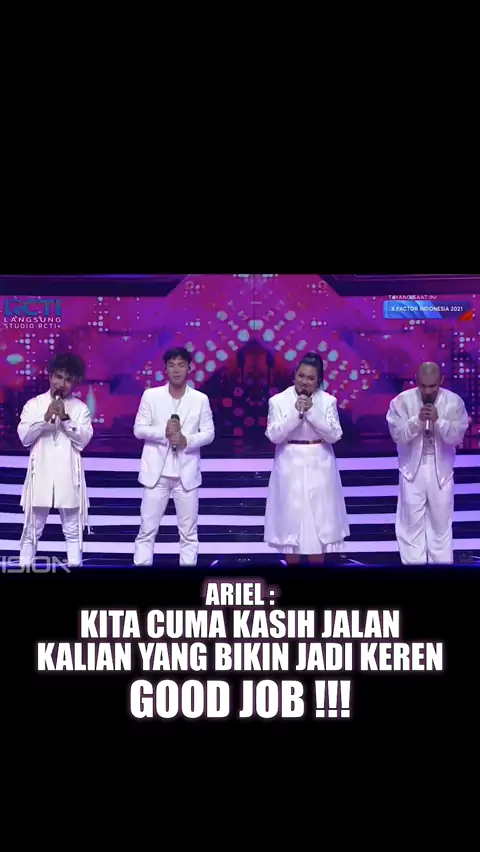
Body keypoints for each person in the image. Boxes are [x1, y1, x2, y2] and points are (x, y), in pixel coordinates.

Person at [264, 352, 349, 564]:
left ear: (318, 381)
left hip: (320, 464)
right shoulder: (278, 401)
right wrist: (295, 414)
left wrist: (312, 412)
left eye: (311, 378)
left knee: (317, 522)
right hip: (289, 463)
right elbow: (274, 435)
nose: (304, 382)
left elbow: (334, 435)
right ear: (295, 375)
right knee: (291, 524)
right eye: (301, 376)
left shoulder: (327, 401)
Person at [133, 347, 215, 566]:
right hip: (156, 474)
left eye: (181, 365)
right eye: (171, 365)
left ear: (189, 368)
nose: (176, 369)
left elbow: (209, 433)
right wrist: (164, 433)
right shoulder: (151, 396)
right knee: (146, 531)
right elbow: (139, 429)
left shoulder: (200, 399)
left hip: (186, 474)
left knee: (189, 534)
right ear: (165, 369)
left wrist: (186, 440)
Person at [386, 361, 469, 564]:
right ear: (416, 381)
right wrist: (417, 421)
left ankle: (441, 572)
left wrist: (439, 421)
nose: (428, 391)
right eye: (423, 386)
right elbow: (398, 435)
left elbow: (456, 437)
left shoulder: (454, 402)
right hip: (411, 471)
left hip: (442, 471)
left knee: (441, 527)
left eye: (432, 386)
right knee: (410, 528)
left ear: (441, 381)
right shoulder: (401, 402)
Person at [17, 353, 93, 568]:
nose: (62, 384)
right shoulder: (34, 404)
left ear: (74, 382)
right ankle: (24, 569)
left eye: (68, 380)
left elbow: (83, 441)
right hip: (40, 474)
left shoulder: (80, 408)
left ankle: (75, 570)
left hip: (68, 475)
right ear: (50, 376)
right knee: (31, 529)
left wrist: (66, 419)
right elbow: (25, 438)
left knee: (72, 530)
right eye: (59, 377)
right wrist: (44, 419)